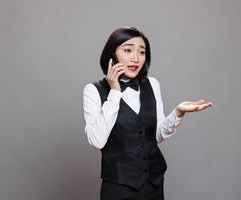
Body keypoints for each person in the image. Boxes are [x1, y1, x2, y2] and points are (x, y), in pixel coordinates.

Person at [82, 26, 213, 200]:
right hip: (118, 186)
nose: (136, 58)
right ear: (112, 55)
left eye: (142, 52)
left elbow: (156, 135)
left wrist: (178, 112)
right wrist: (114, 92)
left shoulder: (152, 84)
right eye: (128, 50)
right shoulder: (93, 90)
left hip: (153, 182)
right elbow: (97, 141)